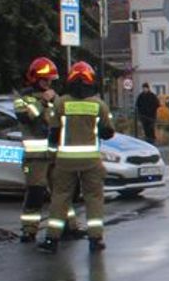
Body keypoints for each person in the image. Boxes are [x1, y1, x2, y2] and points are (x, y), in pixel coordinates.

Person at [38, 61, 115, 254]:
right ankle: (95, 240)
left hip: (65, 161)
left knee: (60, 197)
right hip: (91, 161)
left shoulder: (61, 102)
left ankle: (51, 240)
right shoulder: (99, 105)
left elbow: (53, 133)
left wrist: (51, 155)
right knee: (94, 198)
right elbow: (108, 133)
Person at [13, 56, 60, 242]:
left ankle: (67, 228)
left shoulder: (55, 98)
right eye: (44, 80)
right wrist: (42, 103)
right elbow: (26, 117)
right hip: (35, 158)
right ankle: (29, 229)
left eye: (50, 80)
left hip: (55, 155)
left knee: (62, 194)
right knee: (35, 193)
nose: (48, 83)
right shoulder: (23, 99)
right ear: (35, 79)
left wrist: (54, 101)